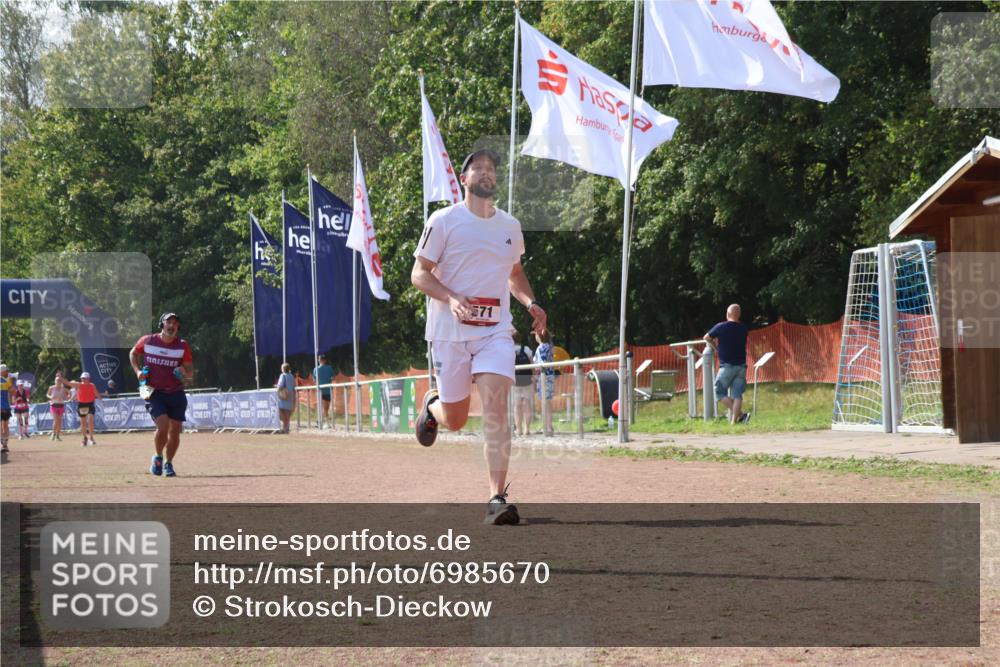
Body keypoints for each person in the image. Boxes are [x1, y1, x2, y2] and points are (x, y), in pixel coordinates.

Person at [411, 148, 547, 525]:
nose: (486, 172)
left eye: (491, 168)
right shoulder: (444, 221)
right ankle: (433, 406)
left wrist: (531, 302)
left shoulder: (510, 226)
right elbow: (419, 274)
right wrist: (451, 297)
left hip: (495, 332)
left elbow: (514, 274)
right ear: (464, 178)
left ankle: (496, 499)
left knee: (496, 408)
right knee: (455, 420)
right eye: (478, 168)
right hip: (449, 333)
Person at [130, 313, 193, 477]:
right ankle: (157, 457)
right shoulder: (148, 340)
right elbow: (133, 353)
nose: (172, 325)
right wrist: (137, 372)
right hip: (151, 391)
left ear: (178, 327)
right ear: (162, 325)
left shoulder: (182, 346)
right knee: (163, 426)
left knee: (175, 431)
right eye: (168, 322)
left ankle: (168, 463)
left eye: (175, 323)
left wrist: (183, 371)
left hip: (175, 392)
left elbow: (190, 374)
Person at [703, 303, 750, 425]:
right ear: (739, 314)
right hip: (741, 366)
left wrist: (716, 347)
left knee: (719, 391)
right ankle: (734, 422)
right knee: (737, 395)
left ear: (727, 314)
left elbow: (706, 337)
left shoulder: (721, 326)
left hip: (727, 366)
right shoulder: (743, 328)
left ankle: (741, 415)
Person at [62, 372, 100, 446]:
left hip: (90, 404)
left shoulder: (92, 385)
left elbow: (96, 393)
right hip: (82, 404)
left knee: (90, 420)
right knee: (83, 422)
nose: (83, 379)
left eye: (85, 378)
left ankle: (91, 438)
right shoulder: (79, 385)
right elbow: (68, 383)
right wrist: (61, 378)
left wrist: (101, 400)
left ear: (88, 379)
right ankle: (84, 438)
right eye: (82, 378)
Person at [533, 329, 556, 437]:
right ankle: (549, 426)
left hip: (544, 376)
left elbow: (541, 362)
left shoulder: (541, 347)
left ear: (539, 336)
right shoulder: (550, 346)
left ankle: (546, 427)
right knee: (548, 402)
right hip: (550, 376)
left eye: (536, 335)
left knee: (544, 403)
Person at [511, 332, 534, 437]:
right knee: (527, 404)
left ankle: (519, 429)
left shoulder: (509, 349)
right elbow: (532, 364)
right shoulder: (526, 349)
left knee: (517, 406)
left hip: (515, 380)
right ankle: (527, 429)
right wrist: (533, 376)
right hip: (527, 380)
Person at [47, 371, 70, 441]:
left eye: (59, 380)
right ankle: (53, 433)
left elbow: (67, 395)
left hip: (61, 405)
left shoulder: (63, 389)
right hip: (54, 405)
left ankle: (57, 435)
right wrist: (50, 397)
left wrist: (68, 397)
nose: (58, 382)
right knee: (56, 420)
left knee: (59, 421)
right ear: (55, 381)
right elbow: (47, 394)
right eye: (57, 380)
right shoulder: (51, 388)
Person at [313, 354, 334, 426]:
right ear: (325, 360)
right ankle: (323, 422)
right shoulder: (329, 368)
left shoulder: (315, 369)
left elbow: (314, 380)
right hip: (327, 390)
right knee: (325, 408)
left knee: (324, 408)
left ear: (319, 360)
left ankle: (320, 421)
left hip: (320, 390)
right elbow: (332, 378)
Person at [276, 362, 296, 433]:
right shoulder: (291, 376)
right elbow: (294, 385)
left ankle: (285, 427)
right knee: (288, 412)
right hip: (291, 395)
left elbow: (280, 385)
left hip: (284, 395)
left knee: (282, 411)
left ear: (283, 369)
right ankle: (287, 427)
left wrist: (277, 388)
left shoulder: (282, 375)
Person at [1, 364, 12, 454]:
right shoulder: (7, 380)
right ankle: (4, 444)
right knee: (5, 425)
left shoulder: (7, 380)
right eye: (6, 371)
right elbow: (13, 391)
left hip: (5, 406)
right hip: (5, 406)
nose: (7, 372)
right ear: (2, 371)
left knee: (4, 425)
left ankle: (3, 444)